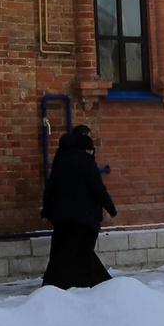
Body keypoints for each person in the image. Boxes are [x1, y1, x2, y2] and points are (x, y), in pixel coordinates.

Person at [41, 122, 116, 288]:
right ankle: (102, 285)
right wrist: (111, 209)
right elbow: (98, 189)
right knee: (82, 252)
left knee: (62, 251)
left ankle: (57, 285)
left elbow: (51, 185)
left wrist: (47, 210)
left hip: (61, 216)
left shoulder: (61, 158)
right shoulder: (86, 162)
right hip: (83, 217)